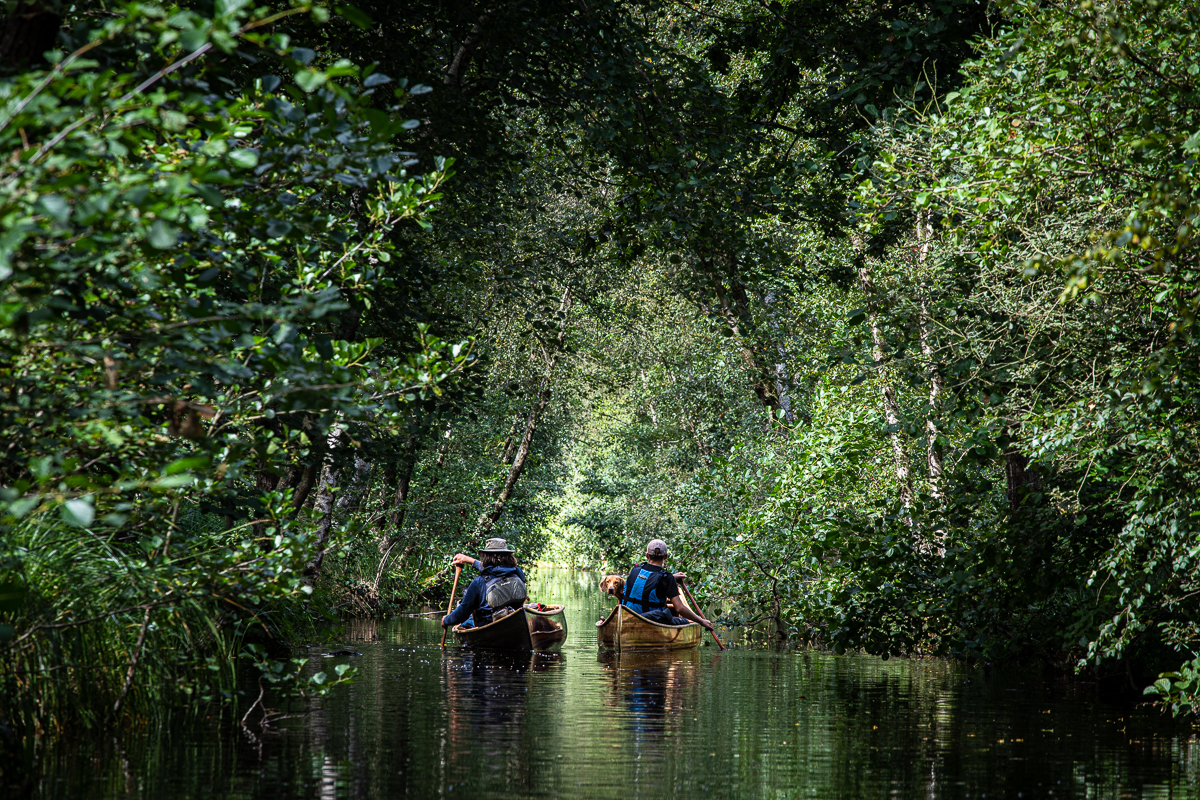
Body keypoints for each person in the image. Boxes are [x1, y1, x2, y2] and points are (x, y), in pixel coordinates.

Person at [622, 539, 715, 630]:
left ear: (647, 556)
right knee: (685, 622)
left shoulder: (636, 570)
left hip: (628, 619)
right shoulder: (666, 578)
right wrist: (702, 621)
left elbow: (647, 581)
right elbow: (679, 609)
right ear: (665, 557)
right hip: (650, 622)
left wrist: (672, 578)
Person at [442, 538, 528, 630]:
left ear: (486, 557)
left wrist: (446, 620)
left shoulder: (479, 582)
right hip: (516, 625)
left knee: (469, 617)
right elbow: (497, 570)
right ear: (509, 556)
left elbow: (462, 614)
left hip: (489, 627)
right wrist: (471, 561)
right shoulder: (518, 573)